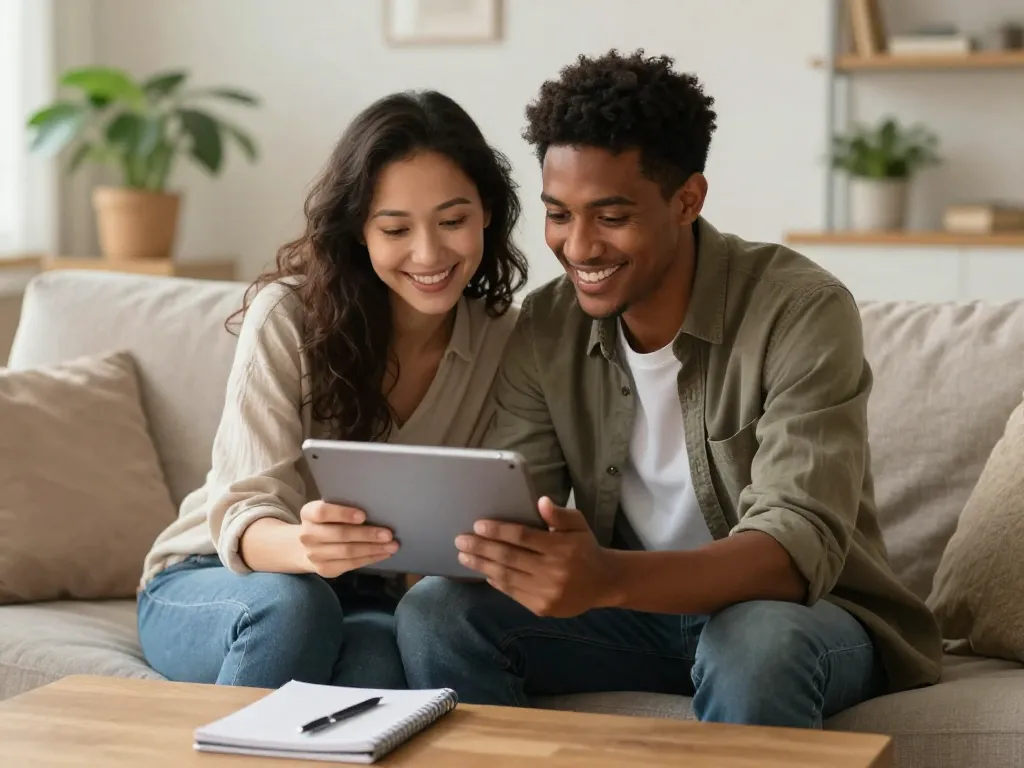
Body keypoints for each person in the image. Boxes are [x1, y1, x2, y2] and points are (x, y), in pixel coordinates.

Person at [395, 50, 943, 727]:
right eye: (559, 214)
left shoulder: (800, 311)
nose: (578, 246)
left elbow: (794, 547)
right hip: (630, 620)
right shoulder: (546, 324)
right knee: (437, 615)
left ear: (687, 199)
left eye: (611, 215)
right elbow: (514, 501)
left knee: (755, 644)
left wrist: (607, 577)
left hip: (796, 616)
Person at [136, 90, 528, 690]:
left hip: (367, 594)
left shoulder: (509, 339)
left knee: (382, 661)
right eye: (395, 228)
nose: (429, 253)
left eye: (453, 221)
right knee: (293, 608)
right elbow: (244, 513)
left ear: (487, 214)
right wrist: (305, 547)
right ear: (359, 232)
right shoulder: (287, 317)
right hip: (216, 578)